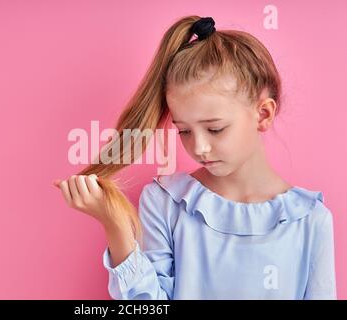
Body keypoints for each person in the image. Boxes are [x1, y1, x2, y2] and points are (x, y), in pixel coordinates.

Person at [53, 16, 336, 299]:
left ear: (263, 114)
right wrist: (114, 223)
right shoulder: (166, 202)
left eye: (215, 129)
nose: (199, 147)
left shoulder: (309, 220)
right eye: (184, 131)